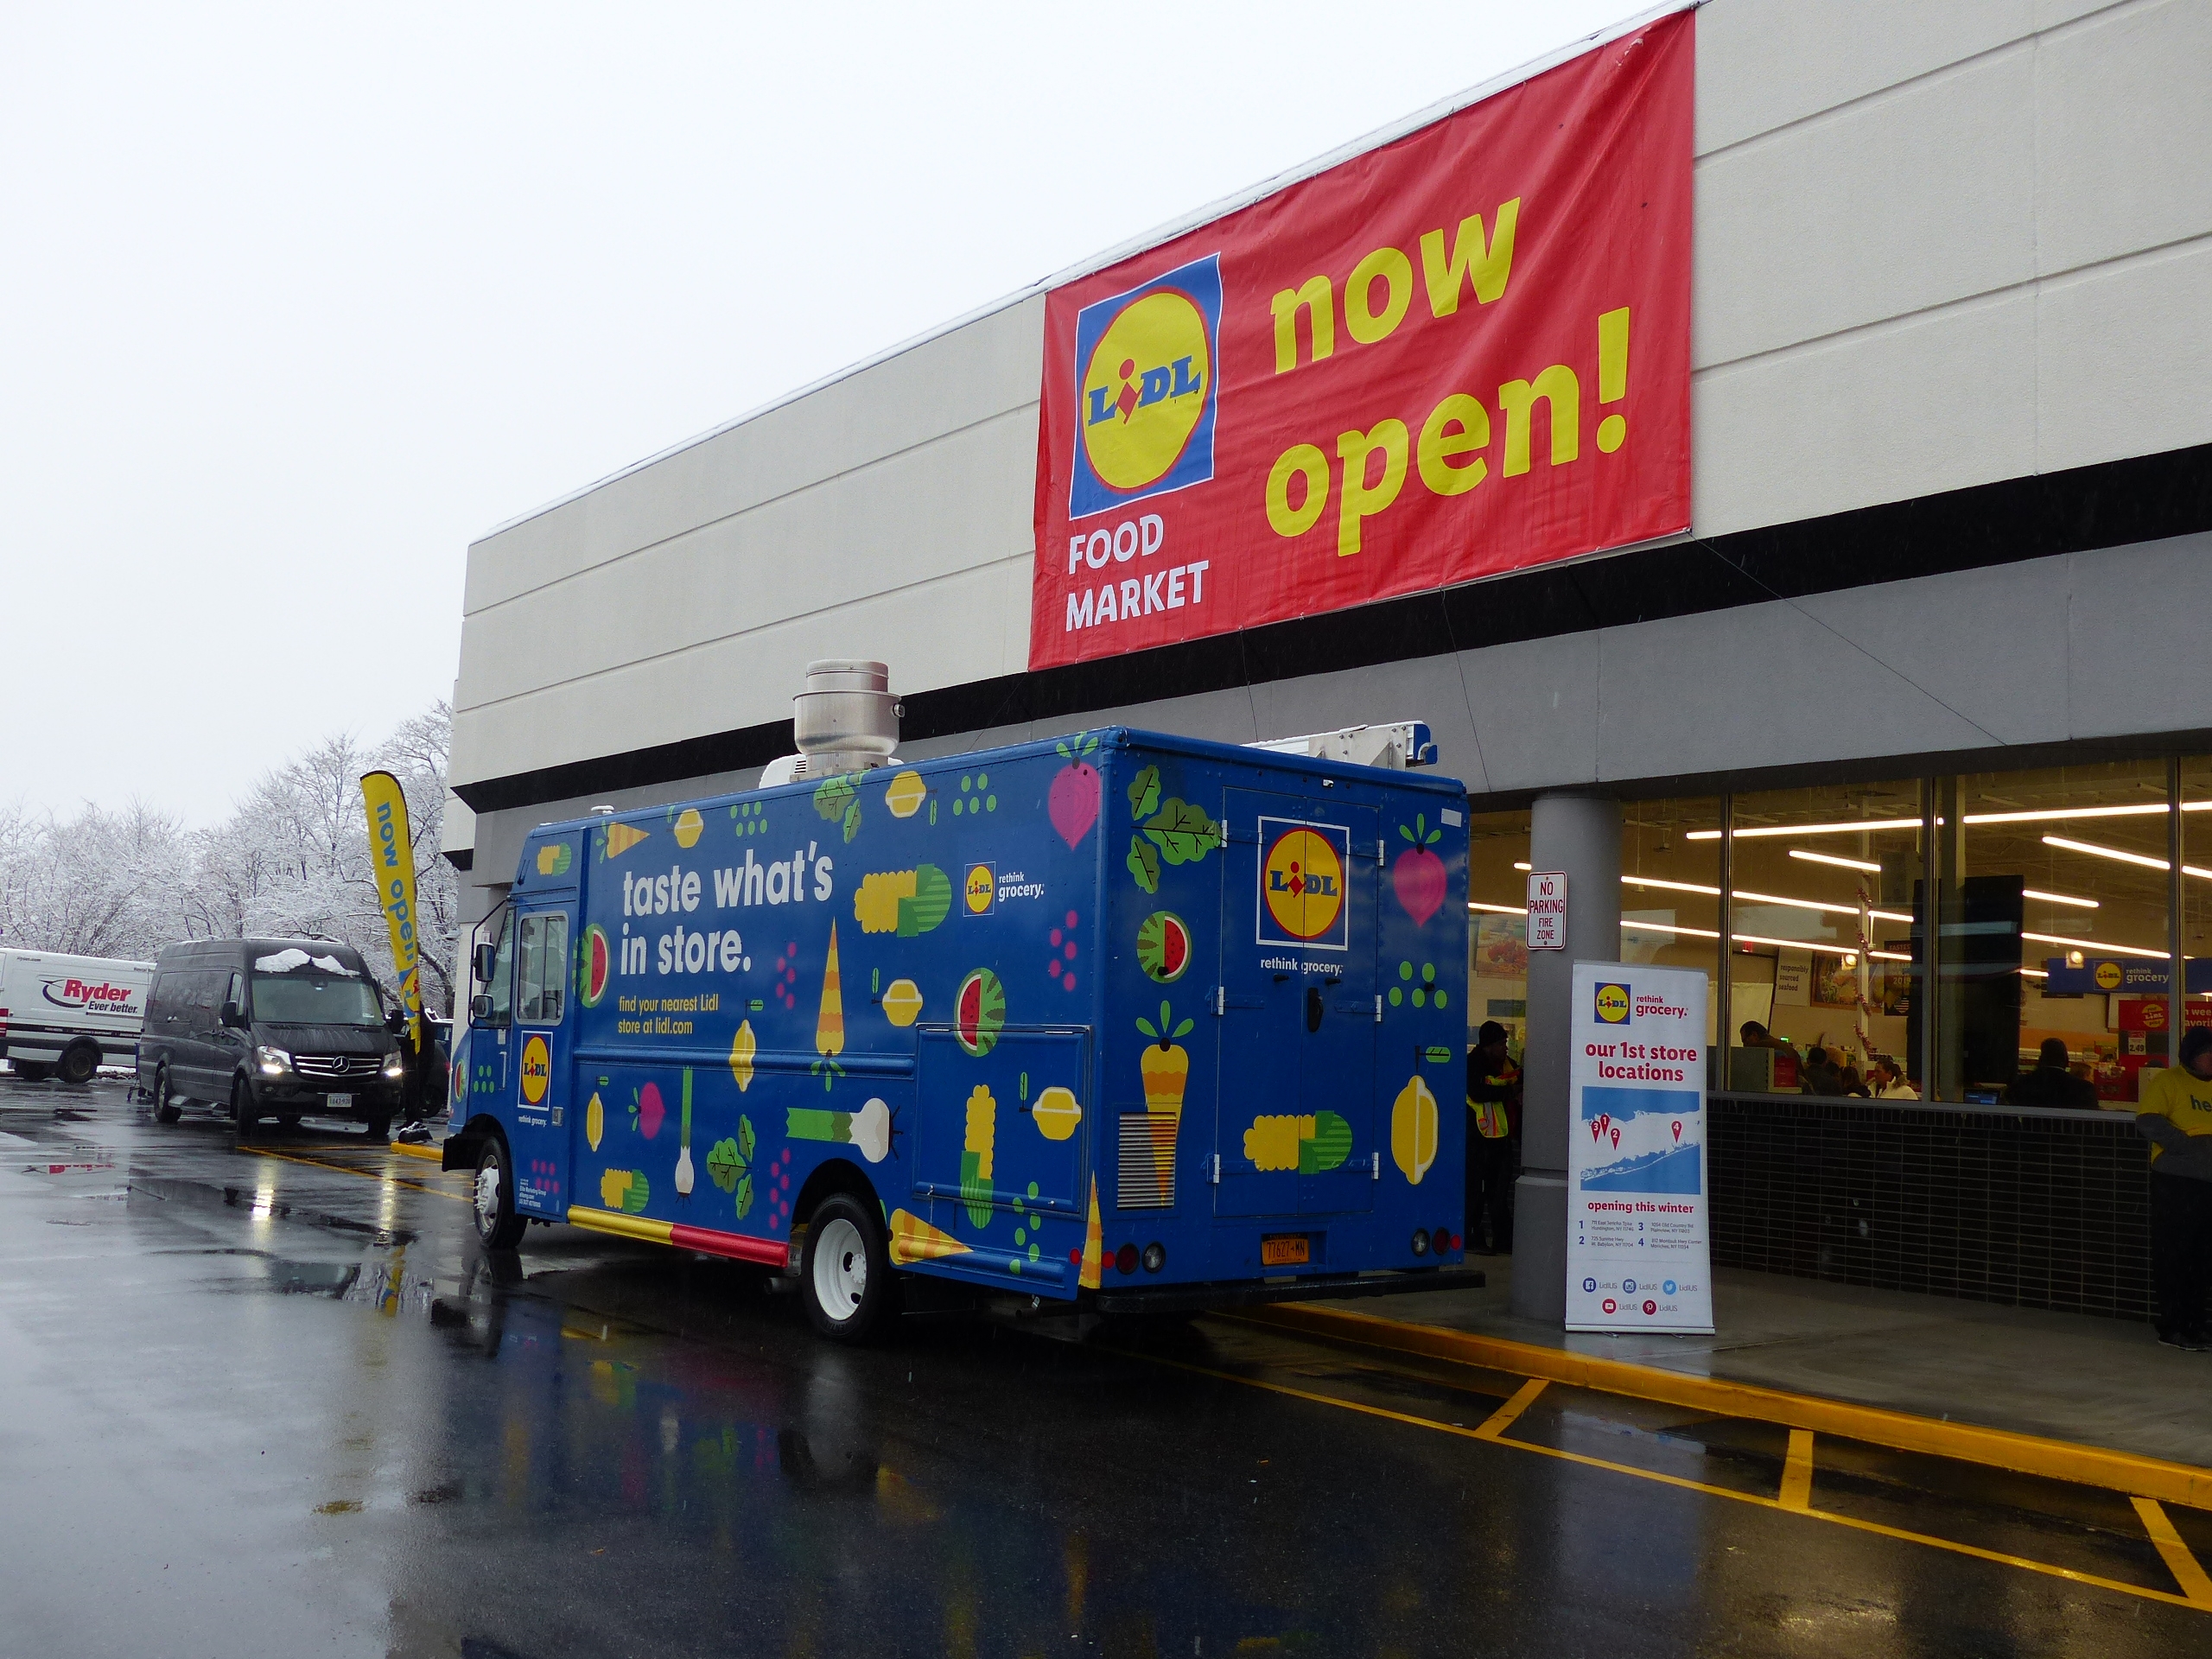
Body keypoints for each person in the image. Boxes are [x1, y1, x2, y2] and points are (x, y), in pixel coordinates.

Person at [2136, 1025, 2212, 1350]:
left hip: (2207, 1185)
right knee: (2174, 1255)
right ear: (2192, 1056)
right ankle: (2173, 1325)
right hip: (2176, 1183)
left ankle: (2196, 1323)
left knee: (2202, 1258)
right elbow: (2148, 1121)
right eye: (2209, 1054)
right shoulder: (2169, 1081)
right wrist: (2186, 1147)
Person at [1465, 1021, 1519, 1255]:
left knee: (1499, 1194)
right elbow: (1477, 1092)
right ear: (1488, 1045)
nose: (1505, 1047)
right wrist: (1507, 1092)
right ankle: (1473, 1237)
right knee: (1475, 1192)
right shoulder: (1473, 1064)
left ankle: (1503, 1240)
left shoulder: (1508, 1065)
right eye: (1501, 1043)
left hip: (1502, 1139)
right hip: (1478, 1139)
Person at [2005, 1038, 2098, 1109]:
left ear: (2041, 1059)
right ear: (2066, 1060)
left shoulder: (2022, 1083)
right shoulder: (2084, 1088)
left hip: (2033, 1128)